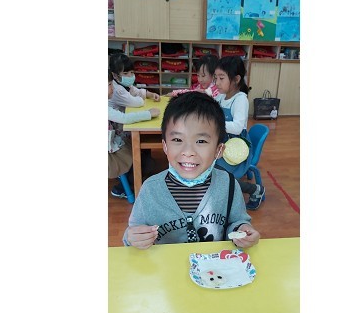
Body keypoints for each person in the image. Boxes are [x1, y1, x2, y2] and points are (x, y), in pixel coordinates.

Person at [123, 92, 260, 249]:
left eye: (201, 141)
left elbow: (236, 221)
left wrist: (242, 230)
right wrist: (132, 238)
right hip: (166, 265)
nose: (188, 152)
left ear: (219, 150)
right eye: (177, 140)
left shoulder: (229, 185)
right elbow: (134, 231)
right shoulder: (150, 189)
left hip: (213, 263)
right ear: (165, 146)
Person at [213, 56, 265, 210]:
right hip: (224, 142)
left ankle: (254, 189)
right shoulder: (221, 97)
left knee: (217, 174)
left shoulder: (240, 99)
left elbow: (237, 127)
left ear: (236, 79)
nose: (217, 83)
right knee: (207, 166)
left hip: (237, 147)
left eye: (221, 78)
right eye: (216, 78)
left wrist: (214, 123)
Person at [108, 70, 160, 198]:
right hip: (111, 152)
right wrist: (148, 114)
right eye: (109, 85)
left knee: (145, 159)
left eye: (111, 84)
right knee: (143, 160)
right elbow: (124, 118)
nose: (112, 88)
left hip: (114, 140)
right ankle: (122, 187)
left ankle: (135, 172)